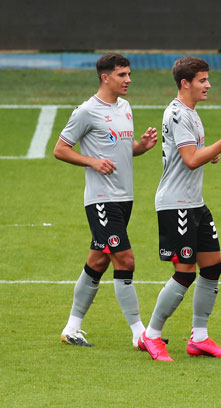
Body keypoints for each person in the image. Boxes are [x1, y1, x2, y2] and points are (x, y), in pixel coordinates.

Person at [141, 56, 221, 361]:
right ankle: (151, 335)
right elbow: (190, 160)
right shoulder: (177, 114)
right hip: (176, 204)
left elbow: (192, 155)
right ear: (185, 83)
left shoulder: (191, 113)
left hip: (194, 204)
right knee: (185, 272)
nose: (208, 85)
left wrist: (213, 151)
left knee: (213, 266)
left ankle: (199, 338)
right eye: (203, 80)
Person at [54, 53, 158, 349]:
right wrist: (92, 162)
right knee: (125, 259)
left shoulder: (125, 107)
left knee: (97, 261)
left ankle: (72, 328)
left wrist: (141, 147)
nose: (128, 79)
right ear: (105, 77)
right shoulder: (86, 111)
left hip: (124, 198)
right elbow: (60, 149)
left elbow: (123, 151)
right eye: (122, 75)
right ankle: (140, 334)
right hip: (101, 200)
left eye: (128, 74)